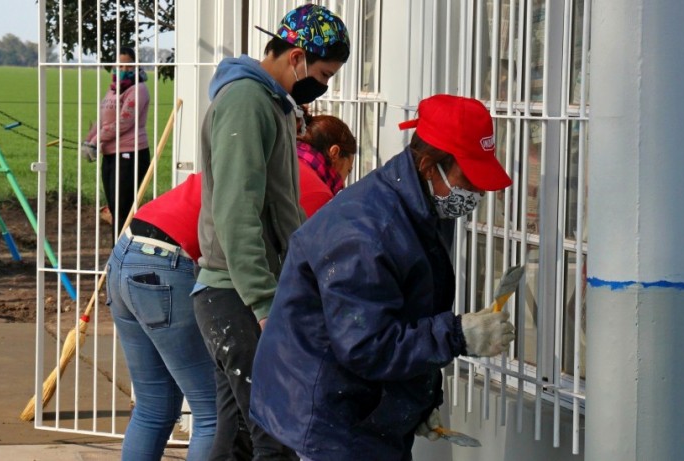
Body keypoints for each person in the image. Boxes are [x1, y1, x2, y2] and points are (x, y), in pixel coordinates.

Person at [249, 94, 517, 461]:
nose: (475, 193)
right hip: (328, 410)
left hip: (360, 403)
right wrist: (456, 335)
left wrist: (417, 401)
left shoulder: (424, 208)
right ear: (429, 166)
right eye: (468, 180)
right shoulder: (368, 233)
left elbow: (409, 311)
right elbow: (366, 345)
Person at [192, 4, 350, 456]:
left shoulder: (274, 104)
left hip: (238, 293)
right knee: (275, 438)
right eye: (323, 74)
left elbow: (281, 206)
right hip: (236, 295)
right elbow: (237, 210)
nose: (323, 85)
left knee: (237, 440)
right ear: (296, 56)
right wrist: (264, 302)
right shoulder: (246, 102)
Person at [105, 173, 216, 461]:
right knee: (213, 412)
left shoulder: (258, 157)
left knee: (154, 407)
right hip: (165, 264)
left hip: (125, 253)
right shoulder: (307, 184)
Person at [82, 46, 151, 228]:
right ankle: (117, 245)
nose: (124, 69)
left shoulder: (138, 89)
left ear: (136, 66)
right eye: (120, 66)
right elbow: (103, 119)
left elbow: (124, 122)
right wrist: (88, 140)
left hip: (130, 155)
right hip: (110, 154)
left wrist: (96, 141)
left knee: (123, 210)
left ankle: (122, 246)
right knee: (114, 209)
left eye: (129, 66)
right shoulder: (112, 90)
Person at [296, 110, 357, 215]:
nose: (344, 184)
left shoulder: (287, 160)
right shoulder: (319, 194)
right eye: (348, 171)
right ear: (334, 152)